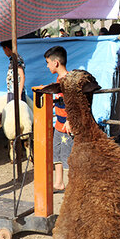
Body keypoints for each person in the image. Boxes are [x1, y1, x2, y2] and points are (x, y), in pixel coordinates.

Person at [44, 46, 71, 192]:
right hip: (59, 125)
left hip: (67, 126)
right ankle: (59, 183)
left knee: (68, 155)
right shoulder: (58, 80)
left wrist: (70, 120)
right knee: (57, 153)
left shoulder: (68, 81)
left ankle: (73, 186)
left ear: (55, 63)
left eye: (48, 62)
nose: (47, 66)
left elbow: (74, 102)